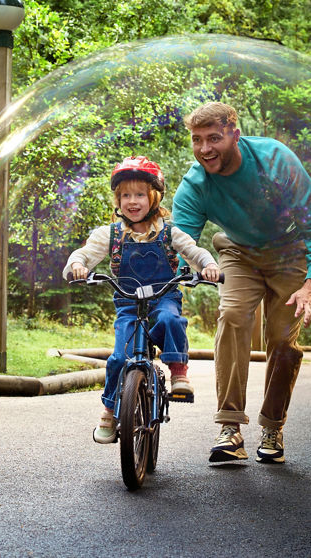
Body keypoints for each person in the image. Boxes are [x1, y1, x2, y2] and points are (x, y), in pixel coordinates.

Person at [170, 102, 311, 465]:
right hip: (239, 252)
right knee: (232, 315)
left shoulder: (275, 161)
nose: (205, 149)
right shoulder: (196, 183)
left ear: (235, 134)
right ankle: (230, 428)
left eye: (214, 138)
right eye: (197, 140)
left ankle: (272, 426)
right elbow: (181, 242)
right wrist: (172, 277)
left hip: (290, 253)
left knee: (281, 338)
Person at [64, 156, 221, 444]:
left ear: (154, 197)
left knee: (171, 319)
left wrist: (207, 266)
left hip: (163, 298)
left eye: (139, 194)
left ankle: (179, 373)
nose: (132, 201)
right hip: (128, 304)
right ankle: (109, 410)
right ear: (118, 199)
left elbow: (195, 252)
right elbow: (83, 254)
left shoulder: (169, 232)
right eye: (125, 195)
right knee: (118, 358)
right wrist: (77, 266)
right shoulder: (109, 235)